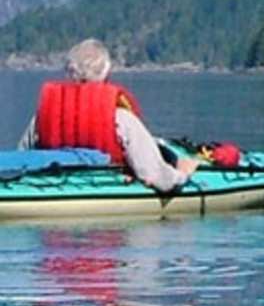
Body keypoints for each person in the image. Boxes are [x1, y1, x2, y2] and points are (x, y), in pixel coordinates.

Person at [17, 39, 199, 193]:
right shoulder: (120, 119)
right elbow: (156, 177)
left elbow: (21, 160)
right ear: (106, 74)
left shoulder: (43, 117)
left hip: (51, 192)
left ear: (69, 73)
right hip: (106, 195)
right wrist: (182, 174)